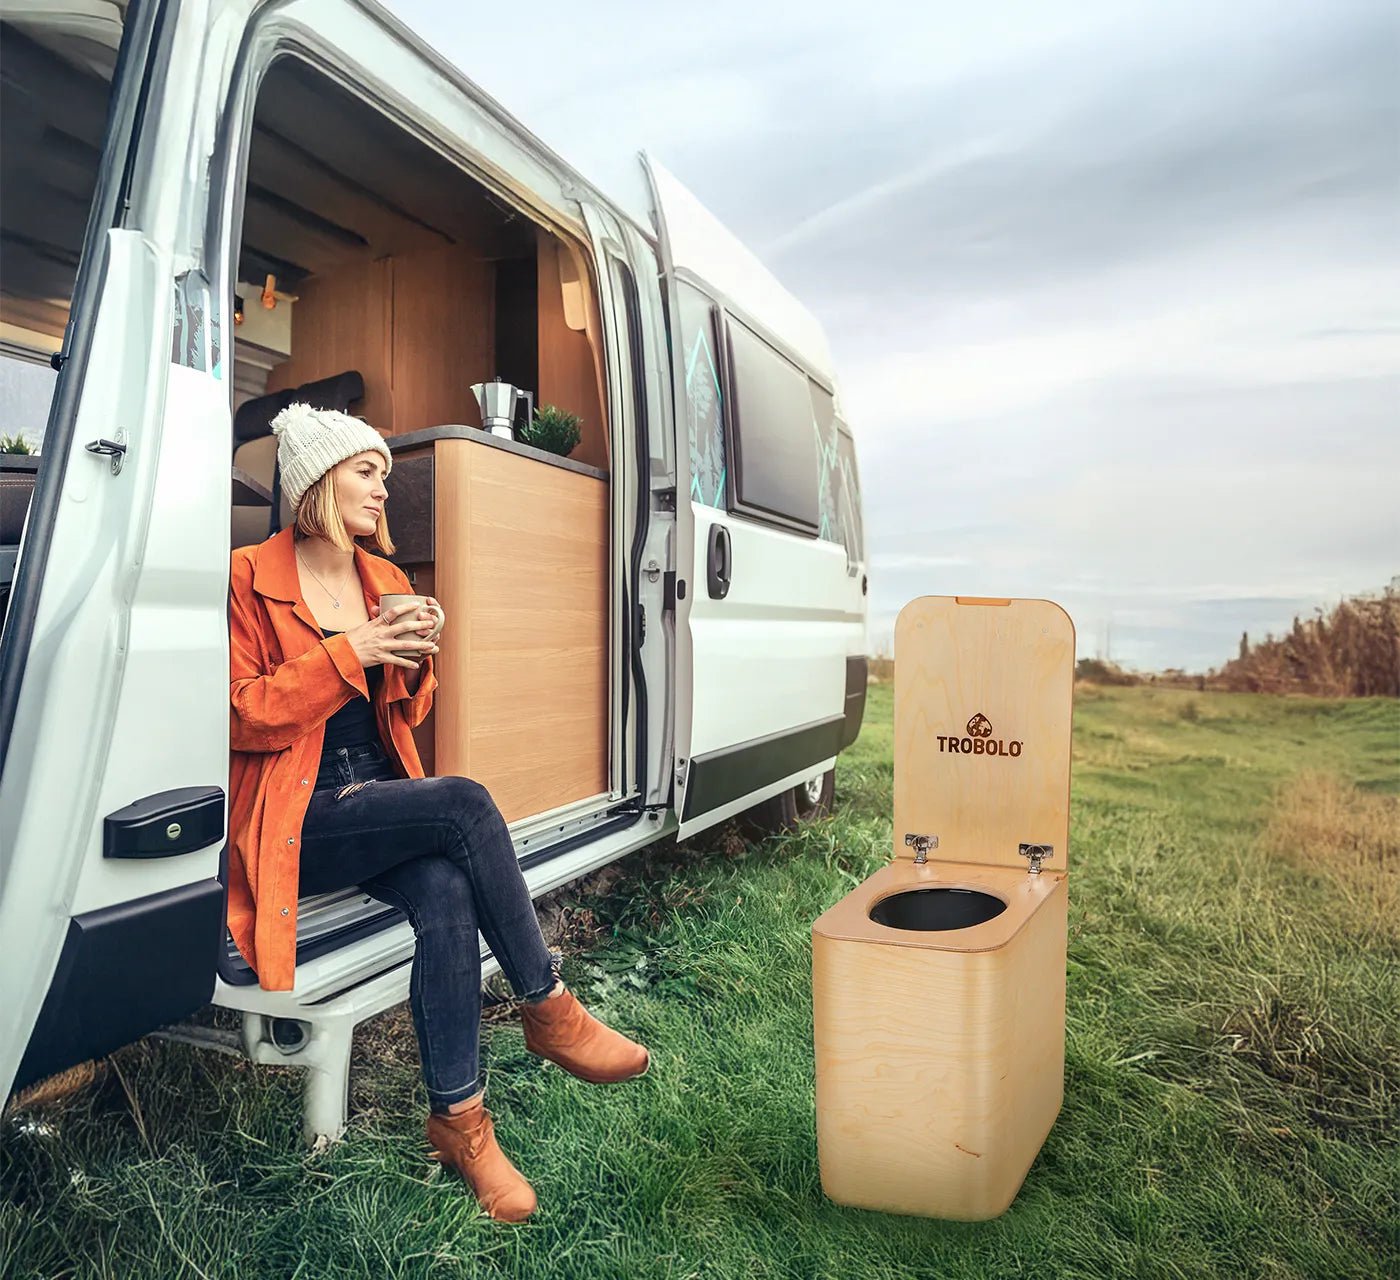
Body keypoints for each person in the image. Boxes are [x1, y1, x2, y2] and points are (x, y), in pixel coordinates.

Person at [225, 402, 650, 1222]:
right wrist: (351, 652)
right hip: (297, 810)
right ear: (317, 481)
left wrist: (419, 657)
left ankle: (461, 1122)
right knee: (465, 803)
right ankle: (548, 1005)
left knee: (448, 892)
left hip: (376, 796)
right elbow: (242, 712)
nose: (385, 490)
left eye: (385, 473)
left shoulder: (382, 580)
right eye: (368, 472)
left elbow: (406, 718)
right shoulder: (249, 574)